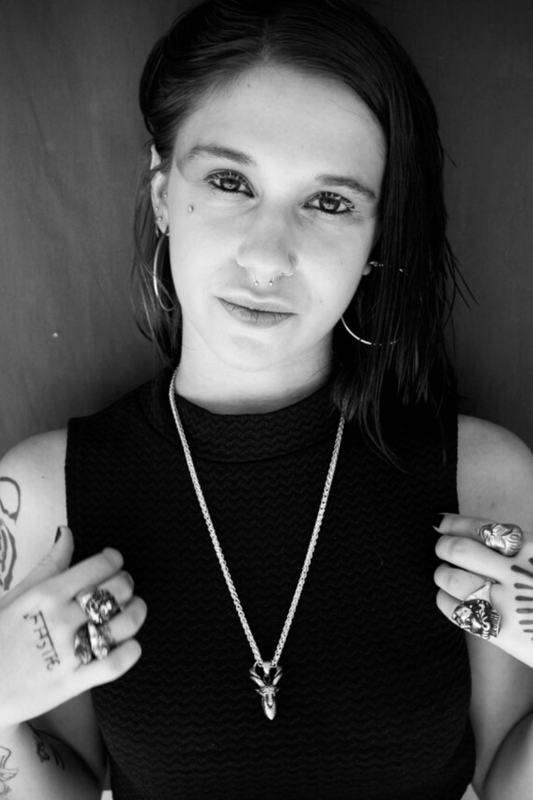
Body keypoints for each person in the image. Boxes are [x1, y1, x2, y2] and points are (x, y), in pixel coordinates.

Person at [1, 0, 533, 797]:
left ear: (376, 237)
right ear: (161, 192)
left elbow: (506, 782)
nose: (268, 257)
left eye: (329, 202)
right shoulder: (48, 495)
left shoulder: (482, 480)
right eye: (229, 181)